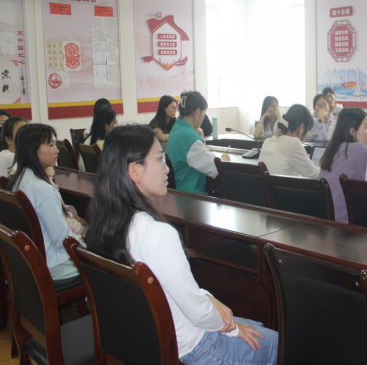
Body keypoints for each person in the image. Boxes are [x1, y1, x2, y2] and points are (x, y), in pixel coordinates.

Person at [85, 125, 278, 364]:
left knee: (255, 327)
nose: (167, 168)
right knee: (277, 343)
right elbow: (199, 314)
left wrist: (209, 299)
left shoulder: (103, 227)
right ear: (134, 171)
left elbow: (182, 292)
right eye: (159, 159)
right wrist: (234, 328)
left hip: (144, 342)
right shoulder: (158, 234)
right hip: (194, 346)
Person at [7, 124, 84, 280]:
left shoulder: (19, 179)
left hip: (31, 262)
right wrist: (86, 243)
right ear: (33, 149)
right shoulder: (42, 189)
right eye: (50, 145)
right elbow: (62, 239)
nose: (57, 150)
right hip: (56, 264)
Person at [319, 108, 367, 224]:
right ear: (352, 131)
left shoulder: (332, 149)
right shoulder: (360, 150)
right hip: (345, 222)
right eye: (366, 127)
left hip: (325, 219)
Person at [166, 91, 223, 195]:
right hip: (190, 196)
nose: (203, 117)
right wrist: (224, 159)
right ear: (197, 112)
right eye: (204, 113)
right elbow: (215, 169)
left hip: (177, 192)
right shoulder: (189, 136)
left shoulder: (177, 128)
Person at [259, 104, 319, 178]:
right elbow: (314, 174)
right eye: (308, 131)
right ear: (302, 127)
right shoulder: (293, 142)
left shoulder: (267, 141)